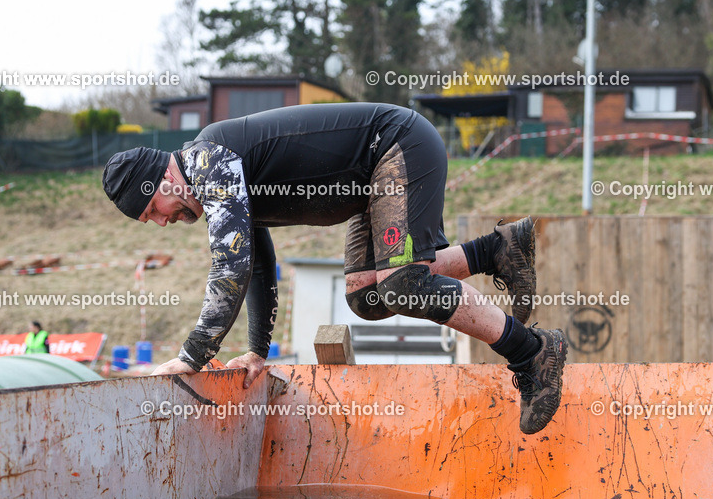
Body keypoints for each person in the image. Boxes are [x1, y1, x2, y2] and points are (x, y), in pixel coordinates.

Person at [103, 103, 567, 434]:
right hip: (372, 180)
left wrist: (192, 356)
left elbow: (230, 266)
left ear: (162, 180)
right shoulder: (220, 173)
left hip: (397, 146)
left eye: (154, 210)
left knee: (403, 285)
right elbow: (256, 264)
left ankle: (531, 351)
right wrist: (257, 351)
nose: (164, 221)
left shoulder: (207, 161)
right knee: (367, 296)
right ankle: (495, 251)